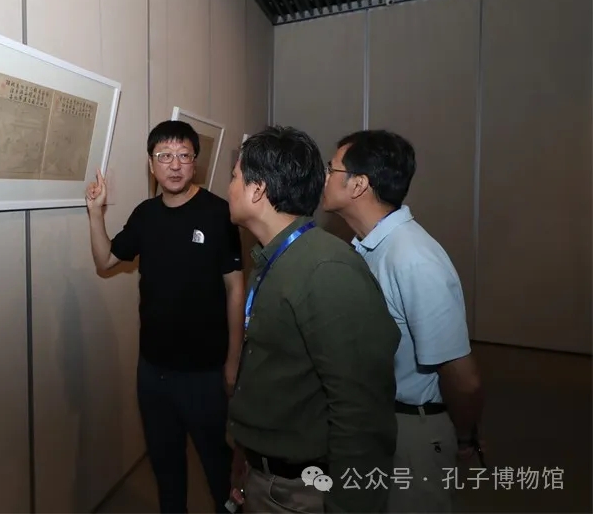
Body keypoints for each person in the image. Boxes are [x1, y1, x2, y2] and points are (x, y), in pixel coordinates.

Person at [225, 126, 400, 514]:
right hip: (266, 474)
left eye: (234, 177)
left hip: (301, 491)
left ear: (257, 190)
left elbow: (361, 412)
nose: (229, 188)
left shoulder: (326, 270)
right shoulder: (273, 258)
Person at [85, 119, 244, 513]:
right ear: (151, 163)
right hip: (153, 370)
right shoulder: (145, 215)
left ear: (195, 162)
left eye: (183, 156)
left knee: (218, 467)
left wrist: (233, 361)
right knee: (166, 468)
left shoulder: (219, 213)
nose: (174, 165)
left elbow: (235, 289)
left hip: (206, 371)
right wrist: (95, 213)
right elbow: (106, 261)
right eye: (165, 156)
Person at [323, 130, 484, 513]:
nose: (324, 177)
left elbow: (463, 380)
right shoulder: (367, 248)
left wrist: (463, 439)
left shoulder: (413, 258)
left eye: (331, 169)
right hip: (374, 421)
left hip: (412, 432)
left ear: (358, 184)